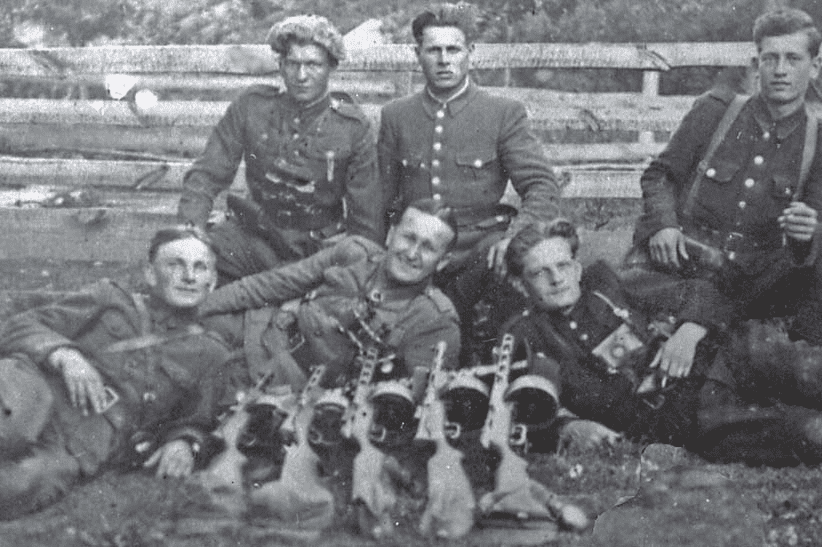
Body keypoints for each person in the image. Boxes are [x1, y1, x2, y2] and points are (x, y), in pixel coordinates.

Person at [503, 219, 822, 465]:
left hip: (724, 357)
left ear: (577, 269)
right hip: (693, 418)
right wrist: (568, 428)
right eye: (540, 272)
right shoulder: (526, 338)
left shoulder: (608, 284)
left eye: (563, 266)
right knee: (814, 433)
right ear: (520, 285)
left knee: (805, 369)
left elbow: (702, 292)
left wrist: (689, 332)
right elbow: (516, 412)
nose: (557, 279)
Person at [627, 8, 822, 348]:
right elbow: (660, 174)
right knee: (627, 299)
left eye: (793, 59)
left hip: (754, 279)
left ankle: (801, 363)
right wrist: (663, 225)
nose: (780, 70)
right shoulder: (715, 110)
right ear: (756, 64)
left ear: (815, 66)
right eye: (770, 58)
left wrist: (810, 233)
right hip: (686, 261)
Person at [0, 226, 230, 518]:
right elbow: (18, 326)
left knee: (22, 485)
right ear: (150, 273)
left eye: (200, 268)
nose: (189, 276)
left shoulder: (210, 353)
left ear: (212, 282)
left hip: (82, 442)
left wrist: (184, 442)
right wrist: (65, 355)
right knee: (10, 428)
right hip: (35, 387)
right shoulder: (110, 299)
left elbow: (198, 419)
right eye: (175, 265)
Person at [378, 2, 560, 362]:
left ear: (470, 52)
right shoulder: (396, 115)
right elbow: (381, 197)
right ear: (418, 54)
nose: (444, 60)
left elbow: (541, 186)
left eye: (454, 49)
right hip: (419, 247)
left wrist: (512, 238)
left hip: (478, 248)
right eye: (434, 50)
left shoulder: (502, 113)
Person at [179, 14, 383, 284]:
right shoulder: (252, 106)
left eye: (313, 65)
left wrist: (357, 267)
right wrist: (191, 233)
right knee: (191, 273)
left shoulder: (352, 127)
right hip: (251, 240)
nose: (301, 76)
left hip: (315, 250)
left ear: (331, 67)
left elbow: (366, 218)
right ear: (281, 65)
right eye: (293, 64)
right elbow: (207, 175)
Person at [199, 197, 461, 392]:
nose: (412, 253)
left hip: (294, 389)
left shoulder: (435, 321)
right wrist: (196, 309)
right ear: (391, 234)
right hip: (266, 331)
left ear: (443, 261)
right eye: (408, 238)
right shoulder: (355, 252)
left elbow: (408, 402)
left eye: (428, 248)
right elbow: (273, 284)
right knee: (194, 335)